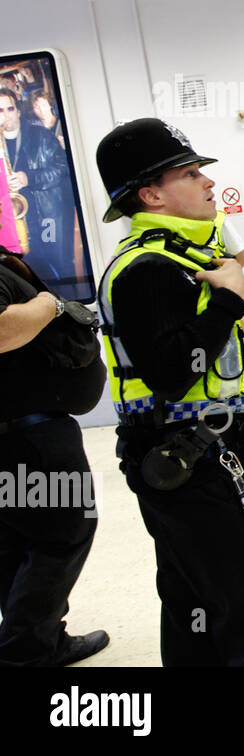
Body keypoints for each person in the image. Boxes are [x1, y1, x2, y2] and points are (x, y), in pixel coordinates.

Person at [95, 118, 244, 665]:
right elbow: (171, 372)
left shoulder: (184, 257)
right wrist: (229, 302)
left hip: (193, 459)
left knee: (198, 608)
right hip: (197, 463)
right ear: (151, 195)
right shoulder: (149, 269)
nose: (208, 183)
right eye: (190, 174)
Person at [0, 251, 108, 666]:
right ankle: (22, 652)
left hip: (23, 430)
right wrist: (47, 306)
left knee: (16, 540)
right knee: (63, 535)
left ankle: (43, 640)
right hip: (30, 434)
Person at [2, 89, 75, 290]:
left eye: (10, 108)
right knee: (25, 274)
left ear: (17, 111)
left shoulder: (41, 135)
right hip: (14, 221)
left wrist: (29, 178)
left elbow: (63, 168)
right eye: (0, 110)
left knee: (59, 268)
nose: (5, 114)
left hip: (47, 215)